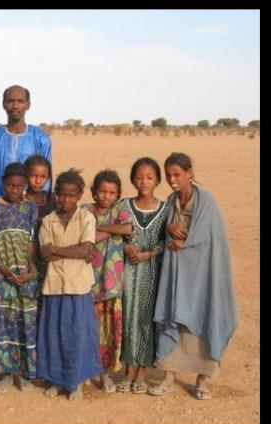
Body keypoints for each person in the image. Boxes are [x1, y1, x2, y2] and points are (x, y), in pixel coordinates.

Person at [149, 152, 238, 400]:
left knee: (204, 318)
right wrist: (169, 229)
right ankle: (168, 375)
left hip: (203, 274)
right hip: (177, 273)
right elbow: (166, 231)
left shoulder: (206, 201)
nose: (172, 180)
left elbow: (213, 238)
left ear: (190, 173)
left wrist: (186, 242)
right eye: (168, 175)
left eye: (177, 174)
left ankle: (202, 380)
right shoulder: (170, 200)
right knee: (173, 319)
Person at [37, 168, 103, 400]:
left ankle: (75, 380)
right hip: (54, 285)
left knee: (77, 335)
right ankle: (56, 379)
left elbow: (86, 249)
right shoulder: (48, 220)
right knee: (54, 335)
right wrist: (72, 251)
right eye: (62, 195)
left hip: (78, 286)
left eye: (72, 195)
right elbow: (45, 254)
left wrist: (57, 249)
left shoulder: (86, 218)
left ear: (80, 195)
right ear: (56, 194)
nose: (66, 200)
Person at [0, 162, 39, 393]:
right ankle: (6, 373)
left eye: (19, 186)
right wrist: (3, 268)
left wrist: (30, 271)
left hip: (26, 275)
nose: (15, 190)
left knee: (26, 323)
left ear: (25, 185)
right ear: (3, 184)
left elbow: (31, 241)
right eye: (10, 185)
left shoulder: (31, 207)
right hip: (2, 274)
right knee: (4, 323)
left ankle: (24, 373)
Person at [117, 158, 168, 394]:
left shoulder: (165, 209)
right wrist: (126, 247)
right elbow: (116, 233)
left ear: (157, 180)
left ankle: (142, 370)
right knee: (128, 317)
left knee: (146, 319)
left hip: (153, 272)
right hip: (128, 271)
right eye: (139, 176)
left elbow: (165, 241)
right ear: (132, 179)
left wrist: (149, 253)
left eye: (149, 177)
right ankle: (128, 368)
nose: (144, 181)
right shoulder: (124, 205)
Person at [85, 169, 133, 393]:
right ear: (94, 192)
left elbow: (127, 228)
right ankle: (88, 369)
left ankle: (105, 374)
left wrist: (101, 228)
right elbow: (88, 237)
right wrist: (112, 230)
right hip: (88, 282)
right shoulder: (85, 210)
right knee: (89, 328)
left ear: (118, 194)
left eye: (111, 192)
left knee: (109, 331)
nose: (106, 196)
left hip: (112, 283)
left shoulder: (121, 208)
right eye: (102, 191)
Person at [0, 85, 52, 198]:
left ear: (28, 105)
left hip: (31, 205)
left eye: (20, 101)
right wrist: (1, 202)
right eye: (10, 101)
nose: (15, 106)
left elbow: (46, 178)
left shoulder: (41, 138)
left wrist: (29, 202)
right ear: (3, 104)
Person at [24, 154, 56, 290]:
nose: (38, 181)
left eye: (43, 177)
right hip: (25, 253)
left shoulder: (51, 199)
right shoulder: (20, 198)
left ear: (48, 178)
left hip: (46, 253)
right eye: (33, 176)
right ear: (26, 175)